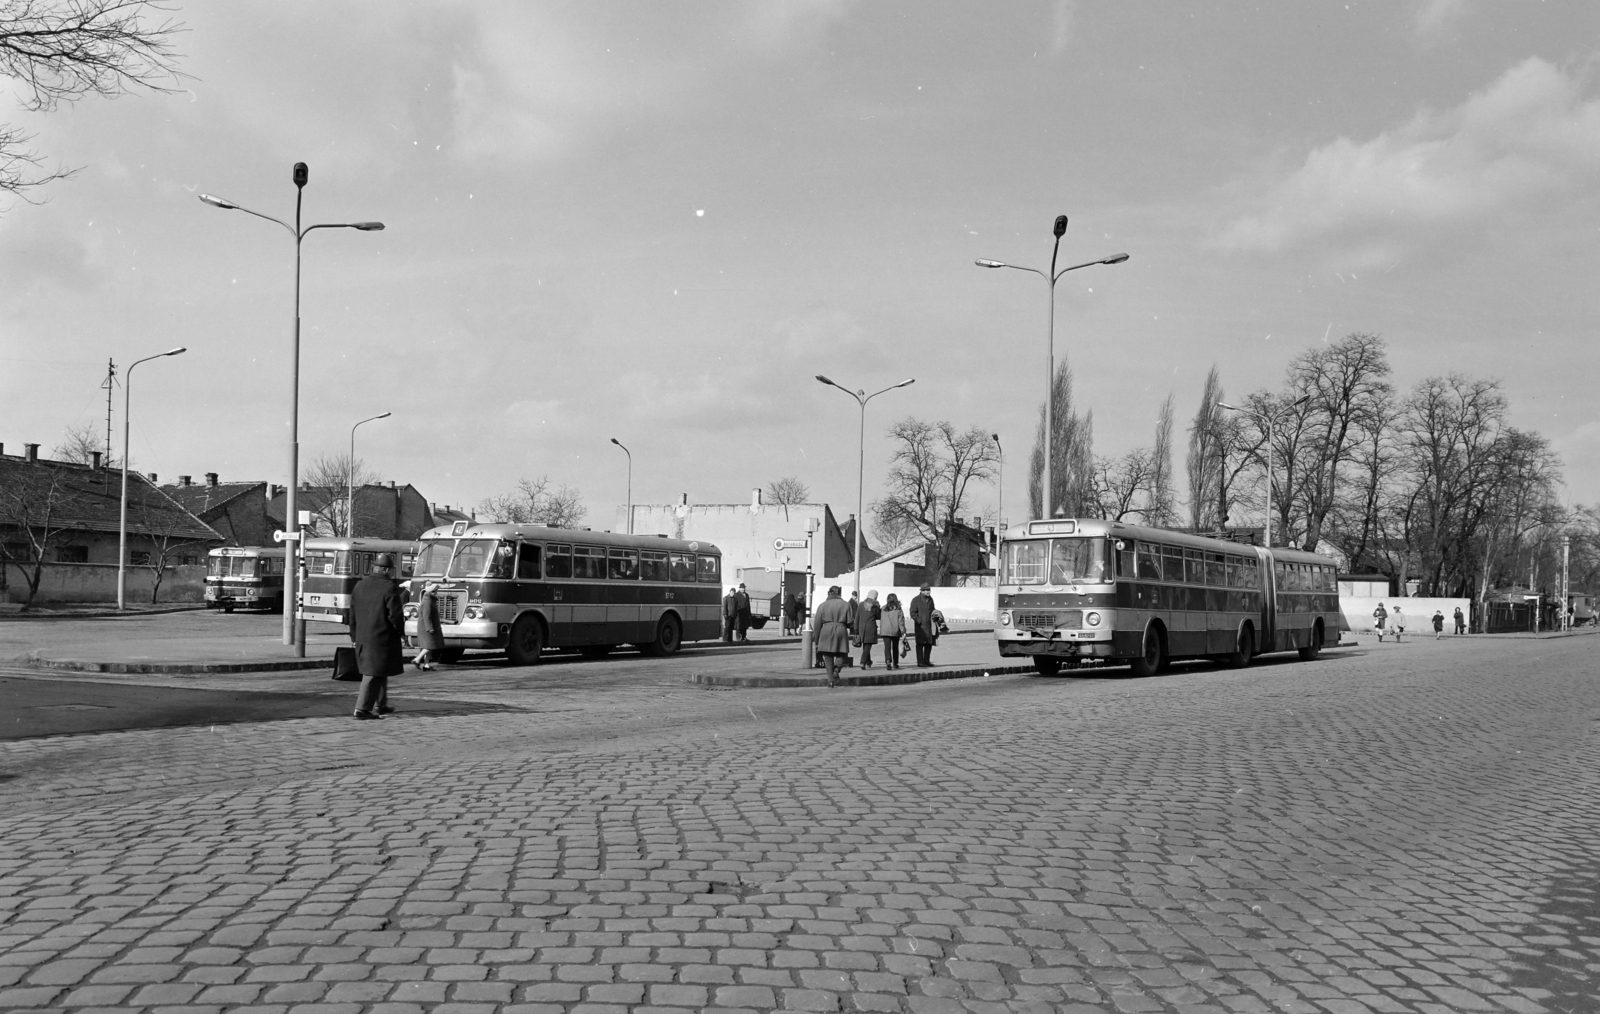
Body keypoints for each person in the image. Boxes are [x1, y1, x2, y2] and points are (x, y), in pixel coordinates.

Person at [350, 552, 405, 720]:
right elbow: (395, 615)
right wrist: (401, 633)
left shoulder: (359, 585)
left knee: (380, 669)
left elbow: (351, 614)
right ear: (387, 570)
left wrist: (353, 636)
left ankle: (380, 704)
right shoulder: (389, 587)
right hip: (382, 637)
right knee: (373, 673)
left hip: (362, 636)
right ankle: (362, 709)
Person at [812, 585, 852, 686]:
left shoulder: (822, 605)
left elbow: (817, 624)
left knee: (828, 657)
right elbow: (851, 621)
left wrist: (816, 639)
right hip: (841, 630)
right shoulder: (846, 605)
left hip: (826, 630)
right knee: (842, 653)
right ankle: (836, 669)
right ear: (839, 593)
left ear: (829, 593)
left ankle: (830, 681)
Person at [413, 580, 443, 670]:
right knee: (429, 646)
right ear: (431, 592)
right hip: (426, 627)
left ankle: (426, 665)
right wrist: (429, 628)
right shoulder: (427, 601)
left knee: (430, 646)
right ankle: (417, 659)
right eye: (436, 591)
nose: (437, 593)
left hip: (428, 626)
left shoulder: (429, 600)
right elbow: (427, 616)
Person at [909, 583, 937, 667]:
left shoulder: (931, 599)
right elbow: (912, 613)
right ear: (922, 591)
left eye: (929, 590)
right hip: (920, 626)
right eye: (927, 590)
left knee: (929, 644)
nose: (928, 592)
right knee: (920, 644)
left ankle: (926, 660)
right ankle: (920, 662)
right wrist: (919, 620)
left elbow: (933, 610)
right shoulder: (916, 600)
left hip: (929, 625)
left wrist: (935, 616)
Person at [879, 593, 906, 670]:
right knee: (895, 647)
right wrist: (903, 631)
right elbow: (901, 621)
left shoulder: (883, 608)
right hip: (895, 631)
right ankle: (895, 663)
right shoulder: (898, 609)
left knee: (887, 647)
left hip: (885, 631)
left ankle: (888, 660)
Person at [857, 589, 881, 669]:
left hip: (861, 628)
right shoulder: (875, 607)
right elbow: (878, 616)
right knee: (868, 645)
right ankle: (862, 662)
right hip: (871, 628)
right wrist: (878, 606)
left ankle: (868, 662)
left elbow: (857, 617)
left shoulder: (861, 605)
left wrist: (856, 629)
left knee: (865, 645)